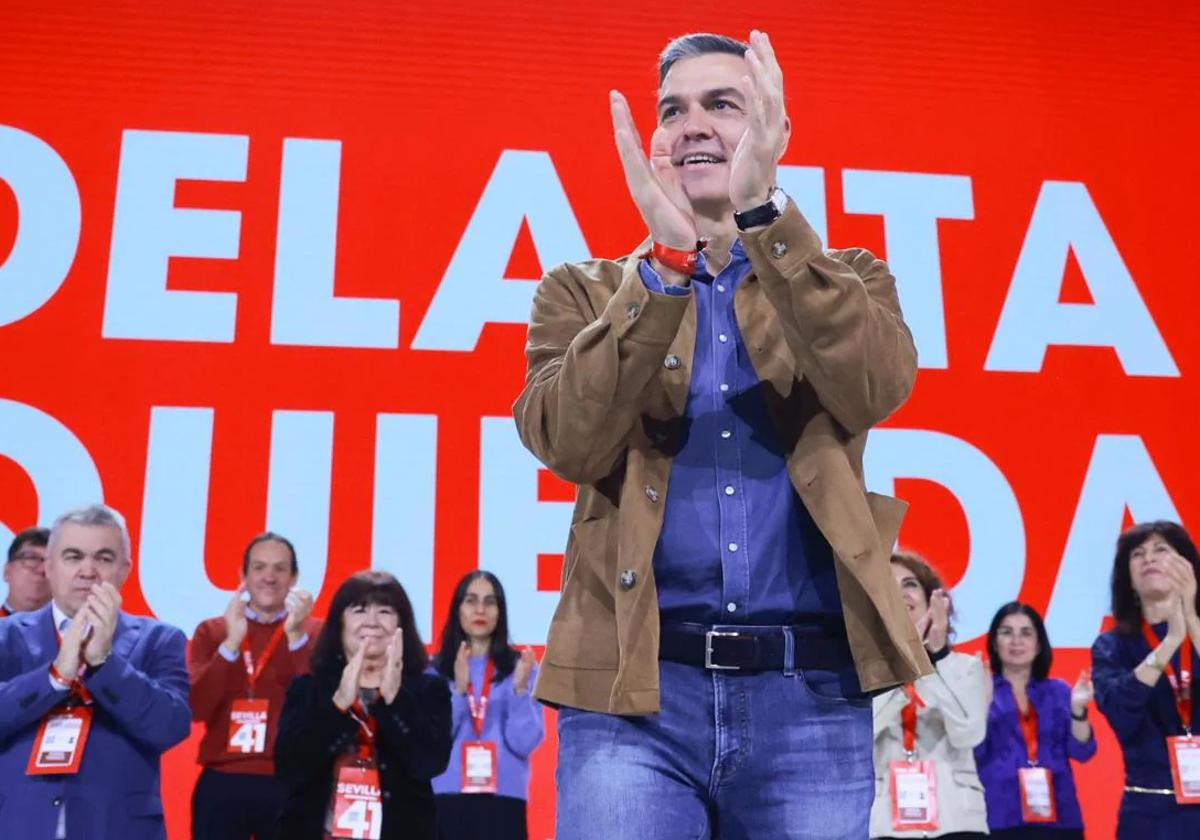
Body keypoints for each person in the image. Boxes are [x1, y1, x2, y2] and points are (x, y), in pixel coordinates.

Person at [513, 28, 926, 839]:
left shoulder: (848, 277)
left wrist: (764, 215)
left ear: (773, 128)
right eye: (674, 110)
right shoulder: (583, 291)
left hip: (807, 697)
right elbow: (567, 440)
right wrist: (665, 266)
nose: (691, 124)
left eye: (721, 105)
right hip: (633, 699)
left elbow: (876, 386)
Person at [0, 504, 191, 839]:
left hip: (117, 828)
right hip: (19, 824)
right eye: (73, 556)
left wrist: (105, 663)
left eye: (103, 558)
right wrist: (54, 676)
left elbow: (169, 727)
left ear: (125, 569)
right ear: (49, 567)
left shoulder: (160, 639)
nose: (88, 571)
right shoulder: (7, 636)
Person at [274, 570, 452, 840]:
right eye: (359, 610)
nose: (372, 622)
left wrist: (395, 702)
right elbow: (290, 768)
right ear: (339, 624)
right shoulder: (308, 687)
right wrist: (338, 707)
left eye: (385, 611)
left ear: (402, 624)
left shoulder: (428, 690)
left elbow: (430, 764)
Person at [188, 532, 321, 840]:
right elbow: (196, 707)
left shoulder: (316, 633)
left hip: (290, 781)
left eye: (280, 568)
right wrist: (231, 644)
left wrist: (296, 637)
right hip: (222, 781)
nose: (269, 577)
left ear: (294, 577)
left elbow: (319, 709)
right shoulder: (212, 631)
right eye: (259, 567)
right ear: (243, 576)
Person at [1092, 520, 1200, 838]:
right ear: (1129, 579)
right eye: (1138, 554)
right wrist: (1169, 642)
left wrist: (1190, 620)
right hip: (1149, 813)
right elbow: (1120, 711)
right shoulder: (1112, 646)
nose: (1149, 558)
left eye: (1161, 550)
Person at [871, 552, 989, 839]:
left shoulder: (964, 667)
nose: (900, 594)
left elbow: (969, 733)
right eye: (888, 584)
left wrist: (937, 657)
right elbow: (865, 731)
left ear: (931, 600)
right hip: (885, 824)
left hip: (957, 822)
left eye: (910, 584)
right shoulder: (865, 674)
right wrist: (898, 668)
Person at [430, 571, 544, 840]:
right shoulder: (433, 670)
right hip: (446, 799)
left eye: (490, 601)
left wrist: (518, 690)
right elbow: (435, 742)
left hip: (504, 801)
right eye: (471, 600)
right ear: (458, 608)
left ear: (500, 611)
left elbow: (525, 742)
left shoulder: (522, 668)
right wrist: (458, 689)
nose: (480, 609)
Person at [975, 602, 1096, 839]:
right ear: (994, 643)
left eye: (1026, 633)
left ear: (1039, 644)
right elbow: (974, 754)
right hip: (999, 819)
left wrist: (1078, 710)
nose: (1016, 641)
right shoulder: (981, 691)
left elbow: (1083, 751)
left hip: (1060, 820)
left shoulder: (1059, 691)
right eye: (1006, 632)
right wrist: (982, 703)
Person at [3, 526, 51, 616]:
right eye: (32, 558)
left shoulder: (76, 628)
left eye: (51, 563)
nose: (42, 569)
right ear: (7, 572)